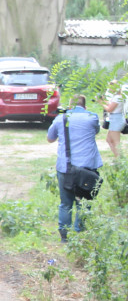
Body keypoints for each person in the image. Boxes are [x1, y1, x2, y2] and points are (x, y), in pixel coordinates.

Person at [47, 95, 102, 242]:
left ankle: (64, 237)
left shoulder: (61, 118)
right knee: (83, 203)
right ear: (85, 106)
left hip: (66, 168)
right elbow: (96, 131)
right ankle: (80, 234)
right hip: (88, 169)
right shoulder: (92, 117)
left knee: (66, 203)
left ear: (69, 106)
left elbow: (50, 138)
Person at [101, 81, 124, 158]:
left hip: (117, 119)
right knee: (109, 139)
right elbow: (110, 104)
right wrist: (103, 100)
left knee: (116, 142)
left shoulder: (118, 97)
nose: (110, 88)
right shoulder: (116, 96)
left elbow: (109, 109)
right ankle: (117, 157)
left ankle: (120, 159)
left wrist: (100, 102)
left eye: (112, 86)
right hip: (114, 119)